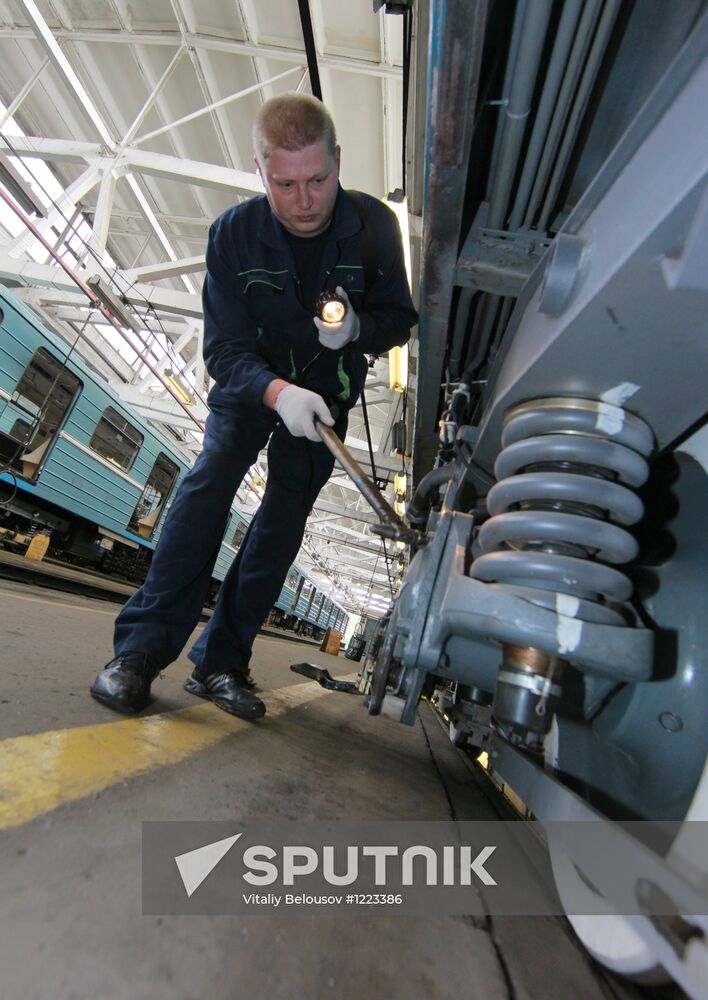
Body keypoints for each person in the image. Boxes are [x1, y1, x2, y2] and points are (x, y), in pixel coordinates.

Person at [90, 93, 418, 721]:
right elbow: (225, 350)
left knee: (281, 524)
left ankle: (220, 663)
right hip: (251, 391)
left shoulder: (375, 227)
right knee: (208, 485)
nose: (304, 200)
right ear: (260, 170)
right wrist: (277, 391)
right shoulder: (234, 235)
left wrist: (356, 332)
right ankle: (137, 654)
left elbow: (400, 317)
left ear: (338, 161)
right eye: (285, 183)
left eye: (319, 180)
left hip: (325, 401)